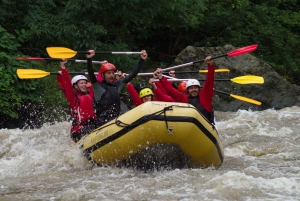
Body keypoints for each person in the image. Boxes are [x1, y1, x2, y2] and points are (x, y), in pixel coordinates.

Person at [86, 50, 148, 127]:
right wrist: (89, 59)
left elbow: (132, 74)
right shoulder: (98, 87)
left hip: (115, 122)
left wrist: (142, 60)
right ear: (103, 75)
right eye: (108, 73)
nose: (111, 75)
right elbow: (91, 74)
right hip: (101, 124)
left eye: (112, 73)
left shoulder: (117, 86)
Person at [154, 56, 215, 124]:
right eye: (191, 88)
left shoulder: (205, 96)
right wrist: (161, 78)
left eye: (195, 88)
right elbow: (170, 90)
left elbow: (209, 81)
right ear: (187, 90)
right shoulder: (184, 98)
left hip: (205, 125)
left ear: (199, 89)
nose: (193, 90)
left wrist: (211, 65)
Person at [57, 59, 97, 142]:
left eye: (85, 83)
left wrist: (104, 67)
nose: (84, 85)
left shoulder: (90, 94)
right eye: (81, 83)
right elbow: (67, 85)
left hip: (92, 123)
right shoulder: (73, 98)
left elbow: (98, 82)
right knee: (91, 127)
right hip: (79, 129)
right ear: (76, 86)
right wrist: (63, 68)